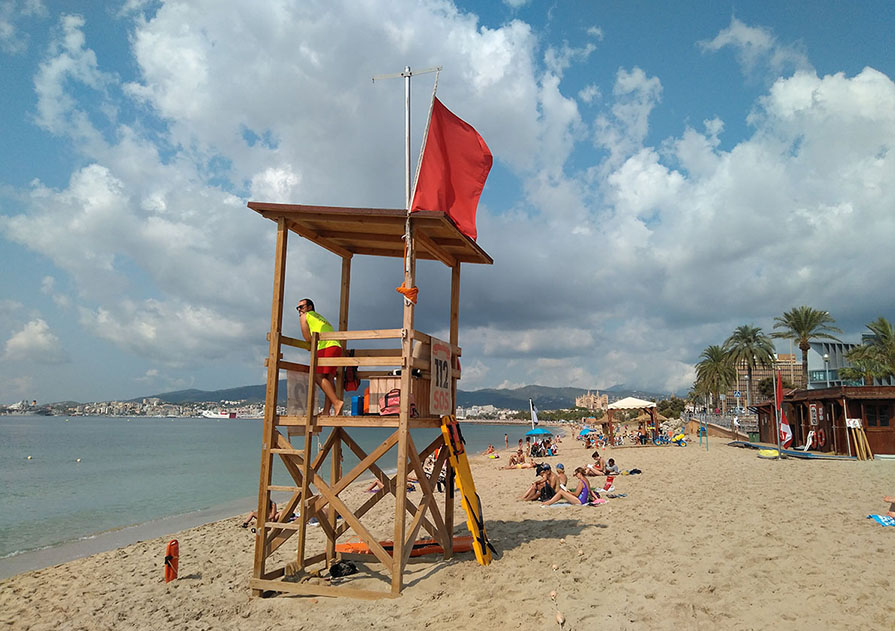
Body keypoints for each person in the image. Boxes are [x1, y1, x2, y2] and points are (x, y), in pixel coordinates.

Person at [297, 298, 344, 416]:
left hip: (325, 346)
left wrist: (309, 345)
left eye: (301, 307)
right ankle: (326, 411)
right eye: (297, 308)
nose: (299, 310)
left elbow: (307, 337)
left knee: (317, 376)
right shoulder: (320, 318)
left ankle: (336, 402)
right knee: (329, 378)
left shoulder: (305, 316)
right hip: (336, 347)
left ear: (309, 307)